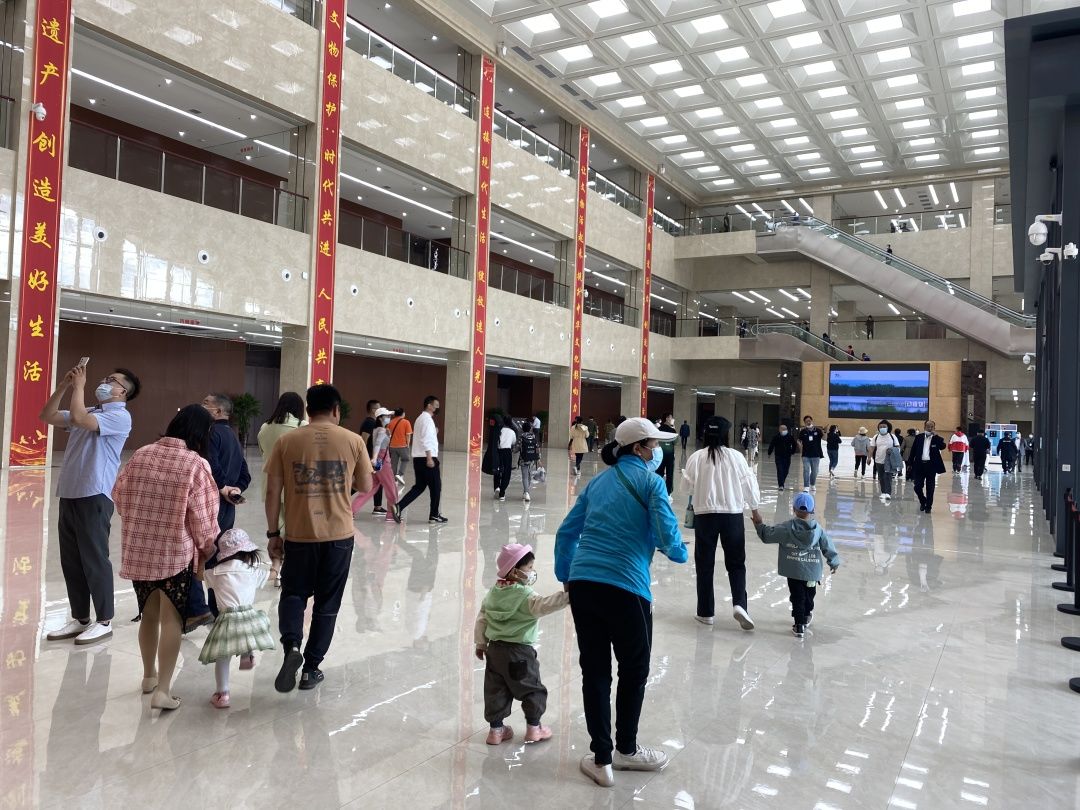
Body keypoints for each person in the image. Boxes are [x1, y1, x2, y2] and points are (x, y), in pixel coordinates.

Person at [555, 417, 688, 788]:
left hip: (584, 585)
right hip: (627, 587)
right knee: (634, 668)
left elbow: (567, 532)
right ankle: (626, 750)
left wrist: (566, 574)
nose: (657, 450)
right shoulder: (651, 482)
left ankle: (601, 760)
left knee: (595, 671)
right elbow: (667, 536)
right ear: (638, 449)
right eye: (653, 444)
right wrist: (679, 552)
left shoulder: (597, 483)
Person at [265, 384, 374, 693]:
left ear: (308, 410)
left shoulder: (287, 441)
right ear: (336, 410)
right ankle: (311, 669)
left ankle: (292, 646)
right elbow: (366, 486)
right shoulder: (353, 441)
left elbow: (272, 492)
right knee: (327, 603)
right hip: (339, 536)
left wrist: (273, 533)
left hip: (299, 535)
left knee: (293, 594)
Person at [113, 404, 218, 710]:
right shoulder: (196, 464)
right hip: (175, 554)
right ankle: (163, 691)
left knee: (148, 615)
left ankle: (148, 677)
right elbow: (203, 519)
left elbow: (119, 496)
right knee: (172, 620)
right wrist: (207, 547)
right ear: (201, 434)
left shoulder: (141, 454)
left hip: (139, 551)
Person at [40, 363, 139, 646]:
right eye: (106, 377)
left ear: (122, 392)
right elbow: (46, 415)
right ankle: (81, 617)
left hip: (94, 494)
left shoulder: (120, 416)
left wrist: (79, 387)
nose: (105, 382)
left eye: (112, 380)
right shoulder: (91, 410)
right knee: (71, 561)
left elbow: (79, 419)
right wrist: (64, 386)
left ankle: (104, 620)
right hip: (70, 493)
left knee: (94, 560)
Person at [474, 543, 568, 745]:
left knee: (495, 690)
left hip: (494, 651)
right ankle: (534, 728)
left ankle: (496, 731)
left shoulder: (492, 593)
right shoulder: (525, 595)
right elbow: (544, 605)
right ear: (515, 571)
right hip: (520, 652)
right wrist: (567, 597)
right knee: (531, 689)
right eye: (529, 567)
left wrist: (480, 644)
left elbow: (482, 618)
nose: (532, 571)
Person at [683, 416, 762, 630]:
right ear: (726, 435)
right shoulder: (736, 457)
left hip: (704, 516)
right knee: (736, 563)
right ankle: (740, 605)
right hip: (732, 515)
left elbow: (686, 488)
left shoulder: (697, 457)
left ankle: (705, 612)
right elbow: (748, 485)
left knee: (704, 563)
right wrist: (755, 511)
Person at [188, 392, 252, 630]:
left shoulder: (210, 433)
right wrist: (235, 490)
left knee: (198, 555)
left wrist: (223, 487)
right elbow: (245, 472)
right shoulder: (233, 436)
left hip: (209, 504)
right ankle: (216, 609)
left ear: (217, 412)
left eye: (206, 403)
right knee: (217, 556)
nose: (201, 405)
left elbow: (210, 466)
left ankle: (198, 609)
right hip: (227, 507)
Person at [198, 529, 274, 709]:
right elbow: (272, 575)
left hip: (227, 619)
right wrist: (277, 561)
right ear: (247, 552)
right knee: (245, 632)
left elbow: (198, 575)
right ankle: (247, 654)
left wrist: (202, 558)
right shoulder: (251, 570)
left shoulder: (216, 572)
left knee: (223, 657)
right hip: (248, 617)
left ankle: (222, 694)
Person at [753, 493, 841, 638]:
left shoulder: (786, 528)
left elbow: (768, 535)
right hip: (812, 571)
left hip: (793, 571)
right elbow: (828, 546)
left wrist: (759, 524)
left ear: (793, 509)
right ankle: (806, 615)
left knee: (797, 596)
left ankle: (799, 625)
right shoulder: (818, 530)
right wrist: (834, 562)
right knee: (809, 594)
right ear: (812, 511)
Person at [258, 392, 307, 586]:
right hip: (295, 487)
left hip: (270, 484)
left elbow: (263, 452)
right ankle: (287, 571)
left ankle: (276, 569)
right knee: (292, 532)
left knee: (276, 530)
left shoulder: (265, 428)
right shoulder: (302, 427)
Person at [392, 395, 448, 524]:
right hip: (427, 458)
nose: (438, 408)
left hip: (418, 459)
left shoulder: (420, 419)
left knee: (419, 487)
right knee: (436, 487)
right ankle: (434, 515)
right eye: (436, 405)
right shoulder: (427, 420)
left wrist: (434, 433)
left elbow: (424, 436)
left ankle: (399, 506)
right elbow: (426, 439)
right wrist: (429, 458)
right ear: (429, 405)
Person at [351, 408, 399, 519]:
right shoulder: (381, 430)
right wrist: (374, 458)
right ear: (380, 418)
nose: (389, 418)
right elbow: (377, 445)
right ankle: (392, 514)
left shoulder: (377, 429)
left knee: (370, 489)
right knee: (391, 488)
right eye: (387, 416)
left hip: (379, 461)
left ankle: (351, 511)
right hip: (383, 462)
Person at [907, 421, 947, 513]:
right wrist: (909, 463)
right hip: (919, 465)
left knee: (930, 488)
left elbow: (942, 447)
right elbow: (913, 451)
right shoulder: (919, 437)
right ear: (924, 427)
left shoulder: (937, 438)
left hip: (931, 466)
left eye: (932, 426)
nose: (930, 428)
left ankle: (928, 506)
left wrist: (936, 436)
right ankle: (923, 501)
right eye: (928, 426)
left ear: (934, 428)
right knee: (917, 487)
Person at [359, 399, 386, 516]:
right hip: (370, 458)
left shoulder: (373, 422)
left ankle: (377, 506)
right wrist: (364, 458)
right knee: (360, 482)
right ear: (373, 410)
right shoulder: (369, 423)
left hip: (375, 458)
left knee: (378, 481)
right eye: (378, 408)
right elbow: (363, 440)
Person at [870, 420, 900, 503]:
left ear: (888, 427)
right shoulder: (876, 437)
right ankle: (883, 492)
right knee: (881, 477)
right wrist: (869, 457)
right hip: (878, 460)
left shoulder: (892, 436)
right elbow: (872, 448)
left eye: (884, 426)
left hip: (889, 461)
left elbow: (898, 447)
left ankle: (888, 493)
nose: (882, 428)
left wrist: (892, 451)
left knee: (888, 477)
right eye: (880, 427)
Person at [767, 423, 798, 491]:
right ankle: (781, 485)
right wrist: (769, 453)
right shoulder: (776, 437)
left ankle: (782, 481)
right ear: (779, 430)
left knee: (786, 471)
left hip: (787, 456)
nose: (783, 430)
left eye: (785, 429)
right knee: (780, 470)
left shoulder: (790, 436)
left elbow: (794, 444)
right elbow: (772, 445)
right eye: (782, 429)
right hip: (778, 456)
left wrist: (792, 452)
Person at [386, 408, 413, 486]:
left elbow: (388, 434)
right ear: (403, 413)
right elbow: (408, 435)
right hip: (402, 445)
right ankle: (400, 474)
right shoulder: (406, 422)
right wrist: (408, 445)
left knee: (394, 463)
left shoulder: (390, 422)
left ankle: (394, 480)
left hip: (392, 446)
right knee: (405, 459)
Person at [798, 415, 824, 491]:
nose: (808, 422)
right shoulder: (803, 431)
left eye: (809, 420)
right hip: (806, 455)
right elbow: (799, 440)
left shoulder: (818, 430)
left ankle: (812, 484)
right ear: (804, 422)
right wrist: (801, 449)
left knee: (815, 471)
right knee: (806, 470)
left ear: (812, 421)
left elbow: (825, 438)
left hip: (816, 454)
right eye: (806, 421)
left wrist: (825, 431)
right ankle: (806, 486)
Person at [518, 421, 541, 503]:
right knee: (529, 475)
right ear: (530, 428)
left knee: (525, 476)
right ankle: (526, 491)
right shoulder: (533, 436)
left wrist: (513, 450)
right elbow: (537, 448)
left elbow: (518, 448)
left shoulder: (521, 437)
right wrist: (538, 458)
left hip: (523, 459)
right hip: (532, 459)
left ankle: (526, 492)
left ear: (523, 428)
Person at [495, 415, 517, 501]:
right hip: (507, 452)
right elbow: (513, 442)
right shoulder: (512, 432)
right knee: (507, 472)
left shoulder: (499, 430)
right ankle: (502, 493)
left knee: (497, 469)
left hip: (498, 451)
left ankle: (497, 486)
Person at [656, 414, 678, 496]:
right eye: (671, 417)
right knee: (669, 473)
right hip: (669, 454)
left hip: (659, 453)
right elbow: (676, 442)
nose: (672, 419)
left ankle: (657, 489)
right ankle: (668, 491)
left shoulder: (658, 429)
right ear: (667, 418)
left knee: (659, 472)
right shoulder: (672, 430)